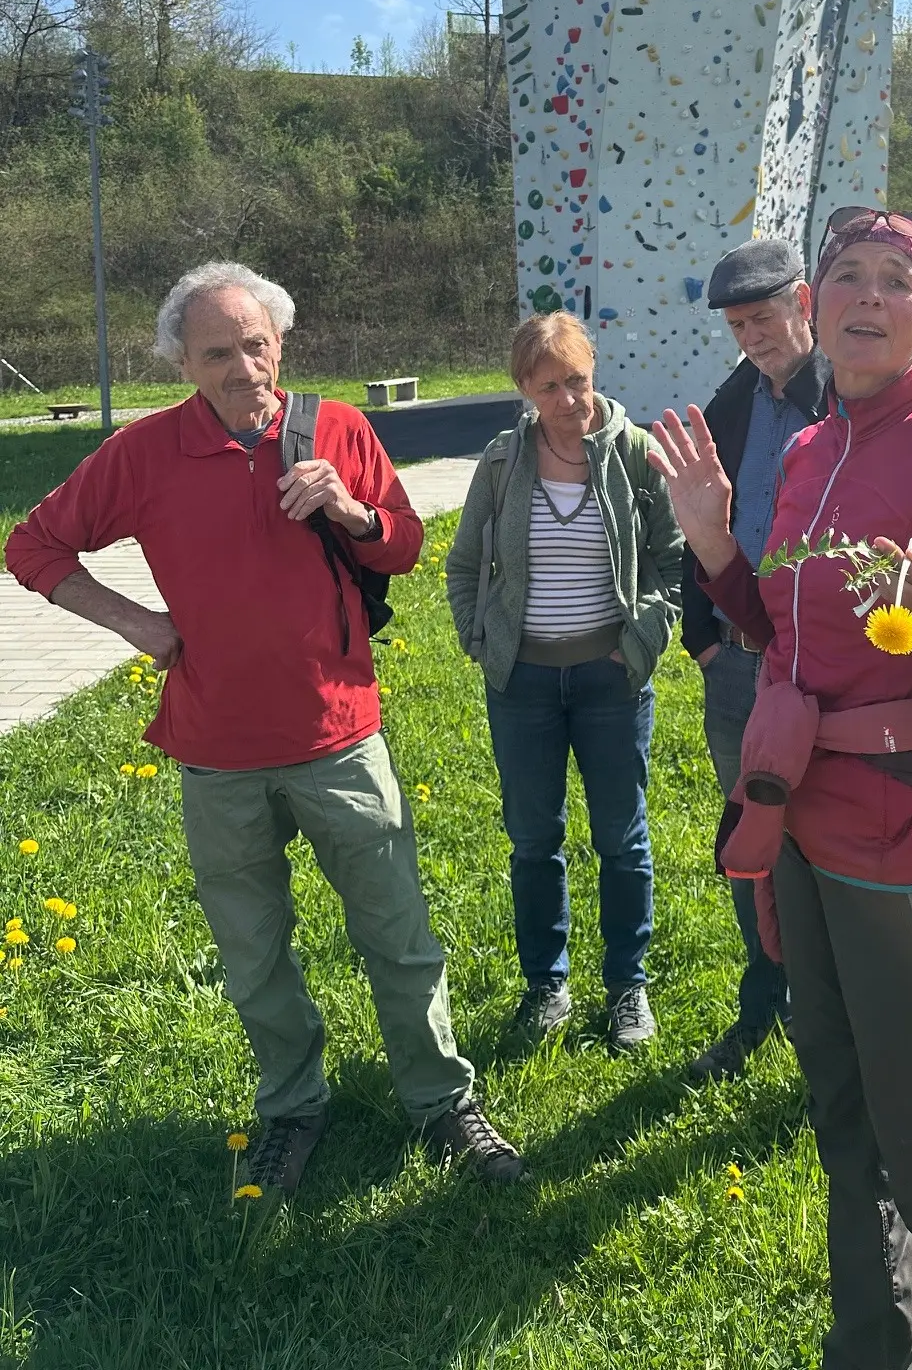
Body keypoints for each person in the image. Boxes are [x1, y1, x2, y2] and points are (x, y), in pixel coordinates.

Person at [650, 210, 912, 1370]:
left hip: (900, 833)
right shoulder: (802, 453)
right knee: (843, 1117)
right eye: (849, 278)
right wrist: (712, 547)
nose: (869, 299)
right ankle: (875, 1351)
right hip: (798, 817)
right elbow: (773, 634)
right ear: (813, 303)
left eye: (897, 282)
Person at [3, 261, 522, 1194]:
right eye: (218, 354)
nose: (245, 368)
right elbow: (32, 543)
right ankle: (291, 1107)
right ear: (184, 367)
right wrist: (136, 624)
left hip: (340, 737)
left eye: (256, 345)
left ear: (279, 342)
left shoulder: (336, 430)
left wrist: (351, 508)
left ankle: (442, 1102)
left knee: (399, 937)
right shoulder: (146, 453)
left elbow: (402, 544)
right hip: (216, 750)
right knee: (254, 956)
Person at [445, 312, 683, 1053]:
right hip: (521, 685)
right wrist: (480, 639)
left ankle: (627, 985)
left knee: (621, 836)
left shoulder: (638, 455)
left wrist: (640, 643)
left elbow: (673, 563)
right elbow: (461, 565)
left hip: (612, 682)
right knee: (533, 838)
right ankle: (547, 982)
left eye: (576, 380)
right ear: (523, 389)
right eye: (549, 386)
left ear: (594, 370)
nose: (568, 399)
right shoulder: (501, 462)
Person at [682, 239, 830, 1083]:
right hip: (737, 665)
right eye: (739, 326)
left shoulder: (846, 399)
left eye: (764, 318)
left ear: (804, 302)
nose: (753, 338)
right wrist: (703, 638)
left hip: (826, 665)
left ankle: (832, 1023)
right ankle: (762, 1004)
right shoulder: (733, 400)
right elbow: (693, 518)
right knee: (750, 839)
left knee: (830, 842)